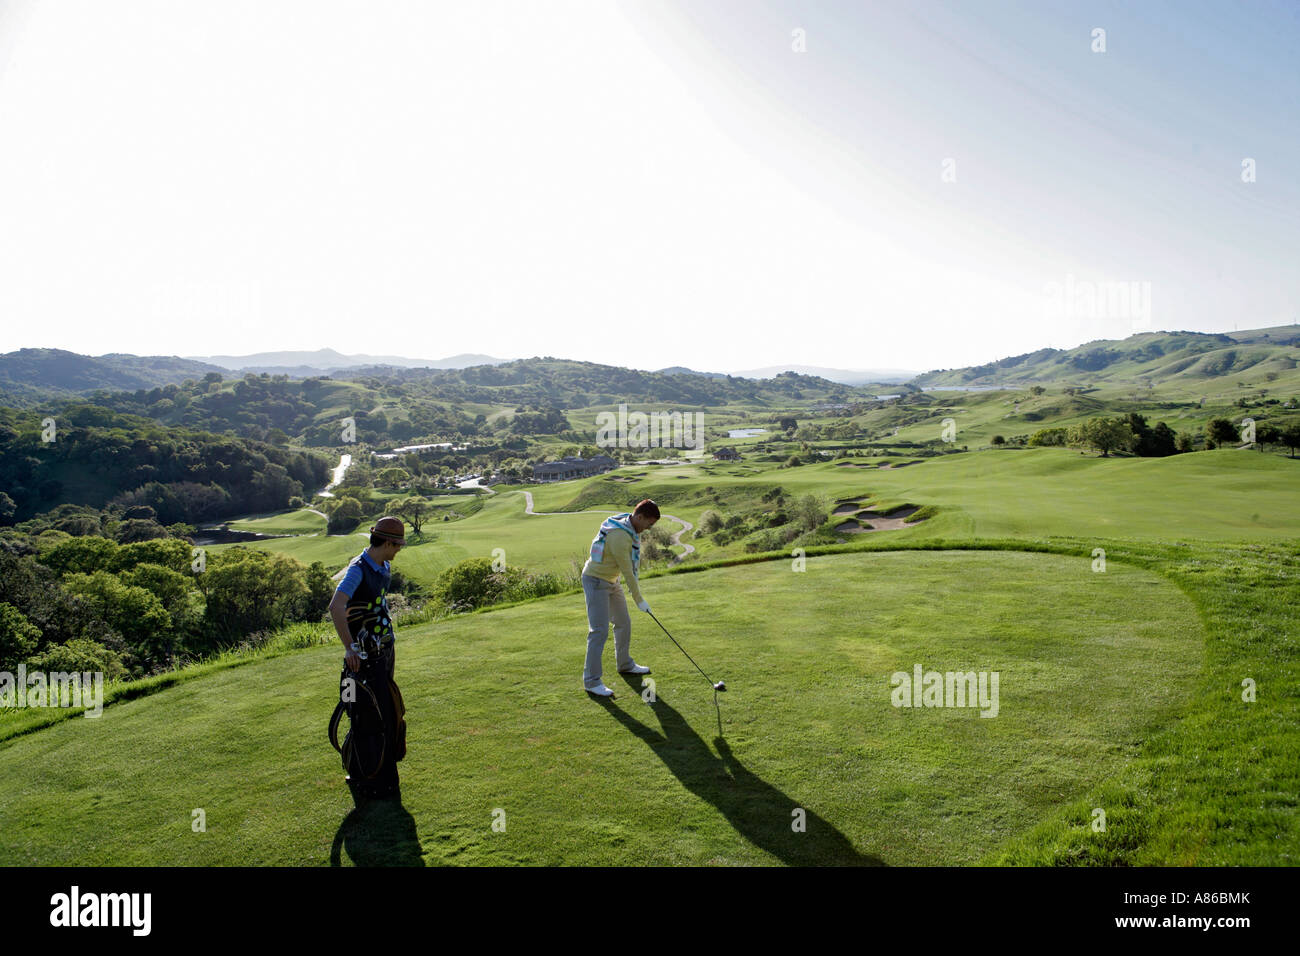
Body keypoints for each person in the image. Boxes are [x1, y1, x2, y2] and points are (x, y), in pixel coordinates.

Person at [329, 515, 406, 799]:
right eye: (397, 545)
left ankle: (382, 772)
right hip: (364, 658)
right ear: (386, 542)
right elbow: (336, 606)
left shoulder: (382, 565)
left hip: (384, 648)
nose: (399, 549)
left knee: (386, 712)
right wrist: (350, 648)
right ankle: (373, 774)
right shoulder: (358, 570)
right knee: (369, 715)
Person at [581, 498, 659, 696]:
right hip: (596, 581)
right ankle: (591, 681)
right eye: (648, 524)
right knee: (599, 631)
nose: (648, 528)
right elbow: (628, 571)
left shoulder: (629, 525)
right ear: (639, 517)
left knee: (623, 622)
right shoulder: (620, 536)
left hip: (611, 580)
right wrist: (639, 600)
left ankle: (624, 664)